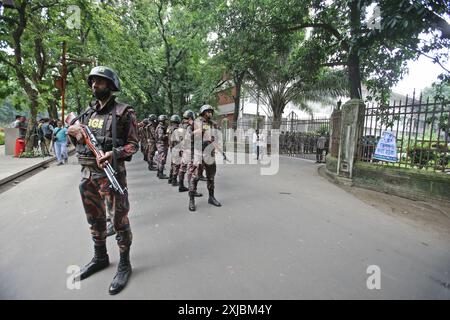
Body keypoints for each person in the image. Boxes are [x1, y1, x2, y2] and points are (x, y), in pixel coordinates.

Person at [67, 66, 138, 295]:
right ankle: (100, 257)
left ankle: (124, 263)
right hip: (87, 175)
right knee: (95, 220)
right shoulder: (86, 113)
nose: (94, 85)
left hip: (111, 175)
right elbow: (75, 138)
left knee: (119, 222)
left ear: (110, 84)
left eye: (99, 82)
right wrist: (73, 132)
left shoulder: (124, 112)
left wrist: (114, 153)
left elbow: (133, 145)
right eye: (92, 82)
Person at [188, 104, 222, 211]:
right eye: (208, 111)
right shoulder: (196, 122)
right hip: (199, 153)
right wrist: (198, 131)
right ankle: (192, 199)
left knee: (211, 177)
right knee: (196, 177)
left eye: (211, 112)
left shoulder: (213, 124)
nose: (210, 113)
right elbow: (188, 136)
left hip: (209, 154)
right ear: (203, 112)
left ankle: (211, 197)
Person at [167, 114, 181, 186]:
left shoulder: (169, 128)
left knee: (173, 163)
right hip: (176, 147)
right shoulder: (176, 129)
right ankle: (174, 180)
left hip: (172, 147)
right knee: (176, 164)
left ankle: (170, 178)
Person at [155, 114, 169, 179]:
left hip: (161, 145)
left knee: (160, 159)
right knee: (162, 159)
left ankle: (159, 173)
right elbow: (161, 137)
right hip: (162, 145)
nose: (166, 121)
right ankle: (160, 173)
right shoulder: (160, 127)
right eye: (165, 120)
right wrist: (167, 135)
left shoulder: (161, 126)